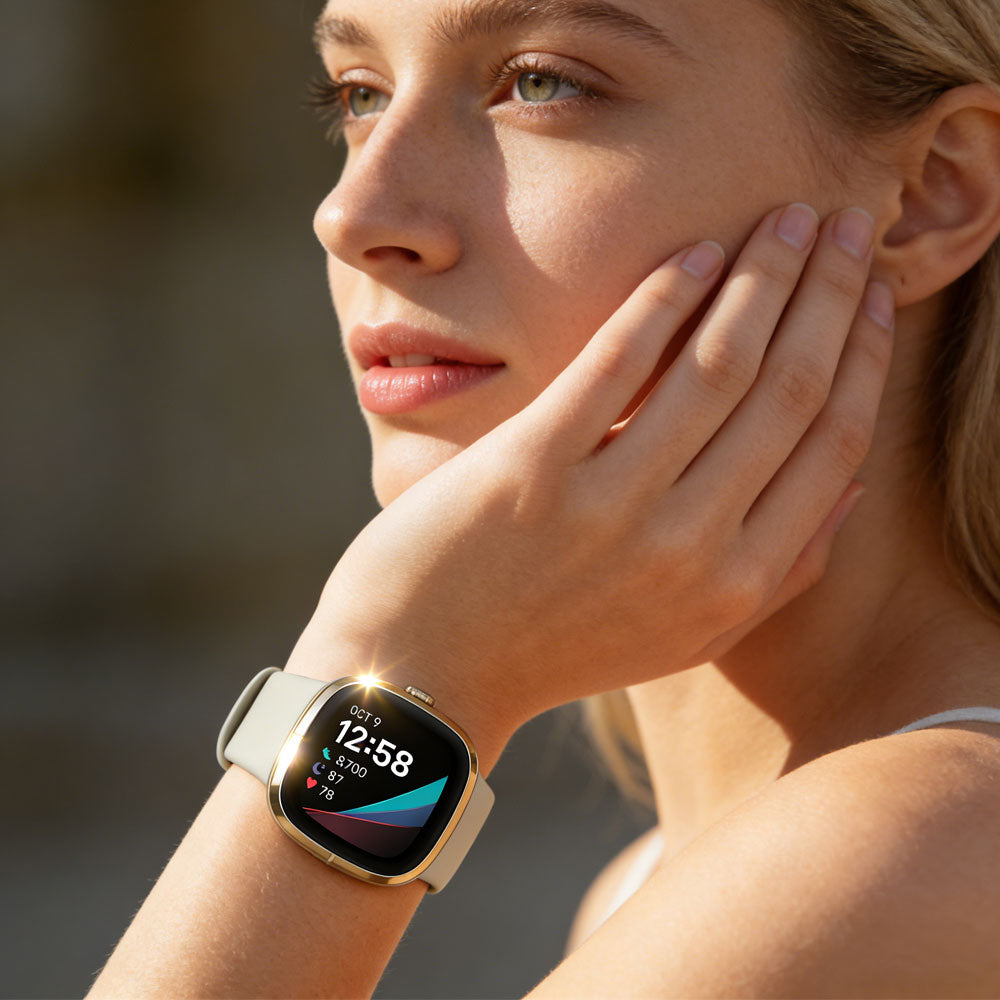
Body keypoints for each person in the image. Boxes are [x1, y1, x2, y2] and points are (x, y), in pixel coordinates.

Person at [90, 0, 1000, 996]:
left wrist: (399, 667)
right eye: (359, 95)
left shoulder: (896, 859)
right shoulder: (651, 882)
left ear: (933, 191)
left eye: (541, 83)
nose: (353, 215)